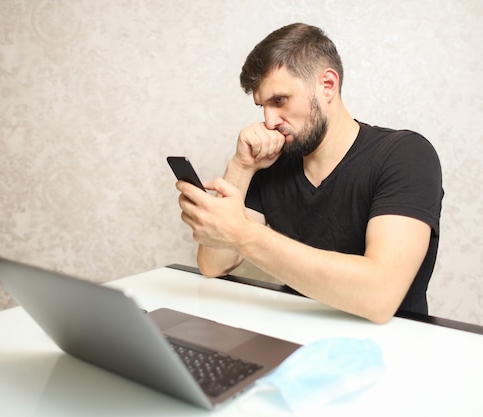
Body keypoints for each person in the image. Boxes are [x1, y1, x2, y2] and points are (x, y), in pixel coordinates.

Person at [175, 23, 443, 324]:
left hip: (388, 349)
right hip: (294, 340)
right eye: (262, 106)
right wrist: (241, 166)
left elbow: (379, 296)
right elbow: (214, 264)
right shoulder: (272, 164)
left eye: (279, 101)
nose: (269, 120)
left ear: (327, 85)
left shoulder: (405, 155)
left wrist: (243, 233)